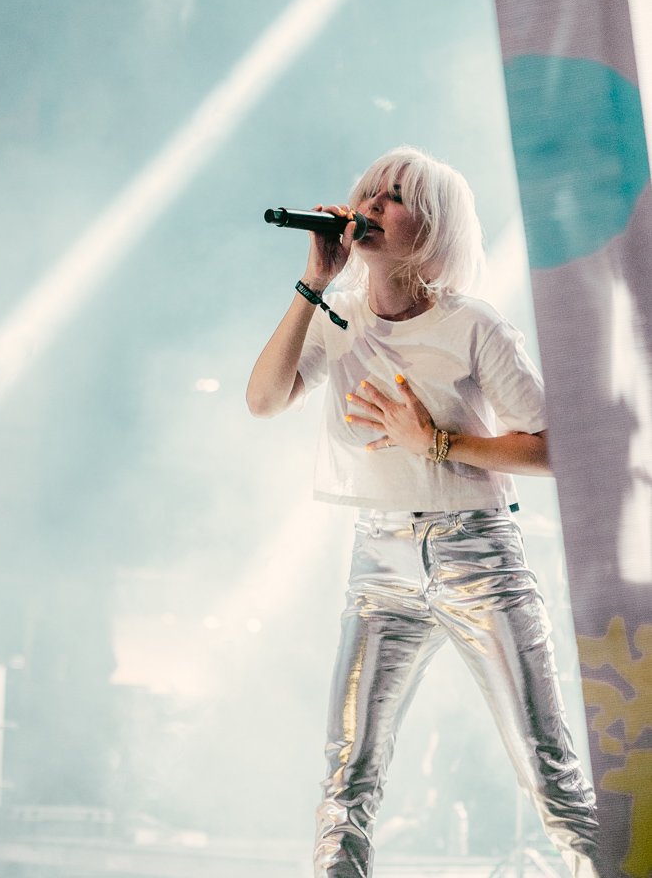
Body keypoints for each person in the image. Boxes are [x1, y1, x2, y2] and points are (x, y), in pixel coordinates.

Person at [247, 146, 600, 878]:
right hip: (378, 560)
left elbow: (558, 449)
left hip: (477, 557)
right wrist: (314, 281)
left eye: (394, 196)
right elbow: (263, 400)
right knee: (345, 783)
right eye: (368, 192)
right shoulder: (334, 314)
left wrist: (436, 442)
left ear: (432, 225)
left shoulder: (471, 324)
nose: (371, 204)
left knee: (549, 775)